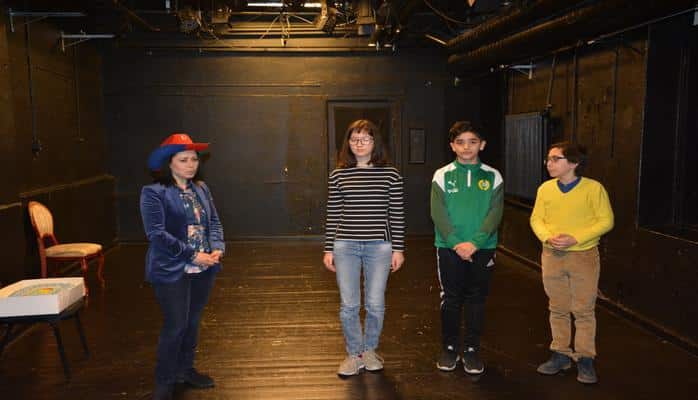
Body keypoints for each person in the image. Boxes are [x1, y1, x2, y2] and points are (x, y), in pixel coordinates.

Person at [140, 133, 225, 400]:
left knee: (192, 322)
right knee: (175, 325)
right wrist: (192, 255)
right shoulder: (153, 192)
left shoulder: (201, 188)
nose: (191, 165)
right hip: (172, 267)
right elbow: (156, 234)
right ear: (169, 163)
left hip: (204, 267)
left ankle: (184, 371)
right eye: (183, 160)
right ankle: (164, 381)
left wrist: (217, 247)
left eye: (194, 159)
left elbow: (214, 222)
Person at [323, 119, 405, 377]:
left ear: (374, 142)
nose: (359, 144)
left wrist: (398, 249)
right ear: (348, 143)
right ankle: (354, 354)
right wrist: (328, 249)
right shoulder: (338, 175)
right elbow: (333, 213)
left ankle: (369, 350)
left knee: (375, 303)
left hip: (379, 247)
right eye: (354, 139)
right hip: (345, 246)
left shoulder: (391, 175)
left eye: (365, 139)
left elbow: (396, 214)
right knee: (349, 304)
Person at [530, 142, 613, 384]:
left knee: (583, 309)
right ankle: (560, 353)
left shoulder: (593, 189)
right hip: (552, 255)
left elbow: (606, 221)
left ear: (574, 163)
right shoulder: (545, 189)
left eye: (556, 159)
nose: (549, 163)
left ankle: (585, 358)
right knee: (557, 307)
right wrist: (547, 237)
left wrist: (576, 238)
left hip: (583, 256)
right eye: (548, 159)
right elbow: (536, 219)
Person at [431, 121, 503, 375]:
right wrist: (455, 242)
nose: (466, 147)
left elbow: (495, 213)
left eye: (472, 142)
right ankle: (449, 349)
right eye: (460, 142)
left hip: (483, 248)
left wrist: (475, 243)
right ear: (452, 146)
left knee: (476, 299)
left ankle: (472, 350)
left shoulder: (493, 176)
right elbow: (438, 213)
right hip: (448, 248)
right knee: (451, 299)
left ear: (482, 145)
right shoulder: (442, 175)